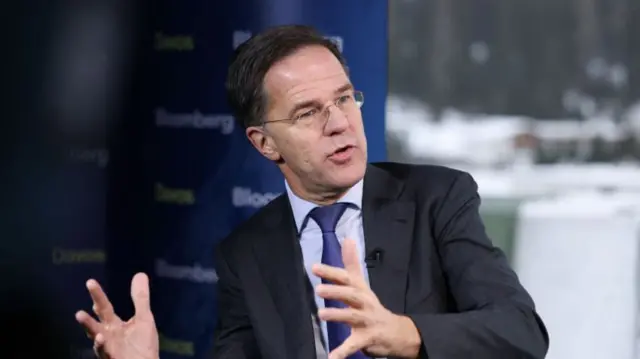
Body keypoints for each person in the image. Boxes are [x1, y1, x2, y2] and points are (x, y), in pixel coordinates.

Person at [76, 24, 549, 359]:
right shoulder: (245, 254)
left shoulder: (437, 198)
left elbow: (521, 332)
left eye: (344, 98)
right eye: (308, 113)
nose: (340, 123)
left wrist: (405, 334)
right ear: (264, 143)